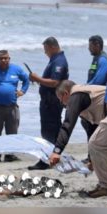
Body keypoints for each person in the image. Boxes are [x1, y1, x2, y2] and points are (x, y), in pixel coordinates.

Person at [49, 80, 107, 198]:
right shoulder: (88, 99)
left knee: (96, 145)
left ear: (65, 93)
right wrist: (91, 158)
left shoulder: (76, 95)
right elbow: (92, 129)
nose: (62, 103)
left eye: (60, 99)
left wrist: (57, 151)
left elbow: (68, 124)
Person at [27, 36, 69, 170]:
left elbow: (55, 82)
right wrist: (39, 79)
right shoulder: (54, 60)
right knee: (53, 130)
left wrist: (37, 78)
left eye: (46, 50)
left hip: (52, 101)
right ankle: (53, 158)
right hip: (49, 101)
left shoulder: (59, 61)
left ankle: (45, 160)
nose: (45, 52)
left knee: (49, 131)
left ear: (53, 47)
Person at [81, 35, 107, 163]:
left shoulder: (103, 60)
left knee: (92, 126)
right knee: (87, 124)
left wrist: (85, 88)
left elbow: (98, 81)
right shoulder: (96, 58)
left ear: (97, 45)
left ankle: (93, 157)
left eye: (90, 46)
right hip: (93, 95)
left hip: (99, 98)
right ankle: (91, 156)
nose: (89, 48)